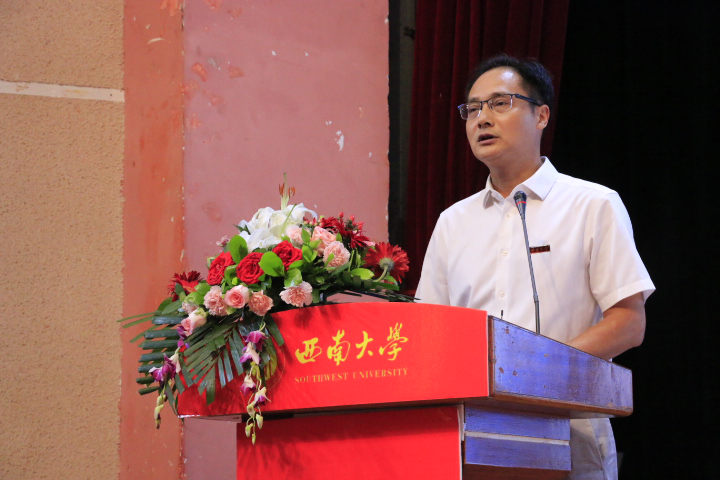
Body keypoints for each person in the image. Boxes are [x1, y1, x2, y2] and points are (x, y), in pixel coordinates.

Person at [415, 54, 655, 480]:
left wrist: (534, 371)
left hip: (569, 434)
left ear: (541, 115)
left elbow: (628, 322)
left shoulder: (592, 204)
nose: (482, 118)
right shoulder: (453, 222)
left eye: (500, 103)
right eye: (473, 109)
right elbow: (429, 331)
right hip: (474, 440)